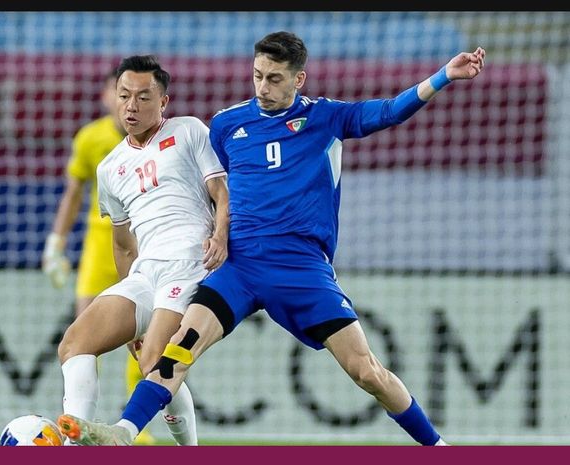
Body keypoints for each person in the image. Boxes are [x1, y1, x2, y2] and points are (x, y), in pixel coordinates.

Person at [57, 31, 485, 446]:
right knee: (177, 352)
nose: (263, 86)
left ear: (299, 79)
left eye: (275, 78)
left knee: (366, 372)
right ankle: (124, 434)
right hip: (238, 267)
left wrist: (444, 75)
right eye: (258, 74)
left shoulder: (325, 117)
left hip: (300, 267)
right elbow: (208, 189)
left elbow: (388, 111)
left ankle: (437, 446)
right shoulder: (225, 125)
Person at [55, 54, 229, 446]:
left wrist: (220, 236)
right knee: (74, 343)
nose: (132, 106)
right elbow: (122, 242)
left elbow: (221, 191)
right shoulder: (110, 167)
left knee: (155, 362)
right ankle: (75, 444)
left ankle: (190, 450)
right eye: (125, 96)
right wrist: (133, 306)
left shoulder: (188, 131)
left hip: (189, 263)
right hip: (144, 274)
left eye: (144, 97)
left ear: (163, 101)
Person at [41, 68, 158, 445]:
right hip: (98, 252)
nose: (125, 101)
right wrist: (55, 243)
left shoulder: (159, 140)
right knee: (85, 338)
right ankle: (79, 425)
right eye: (118, 92)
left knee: (142, 343)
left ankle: (136, 428)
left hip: (142, 249)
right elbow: (73, 193)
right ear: (107, 96)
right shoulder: (91, 139)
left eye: (135, 94)